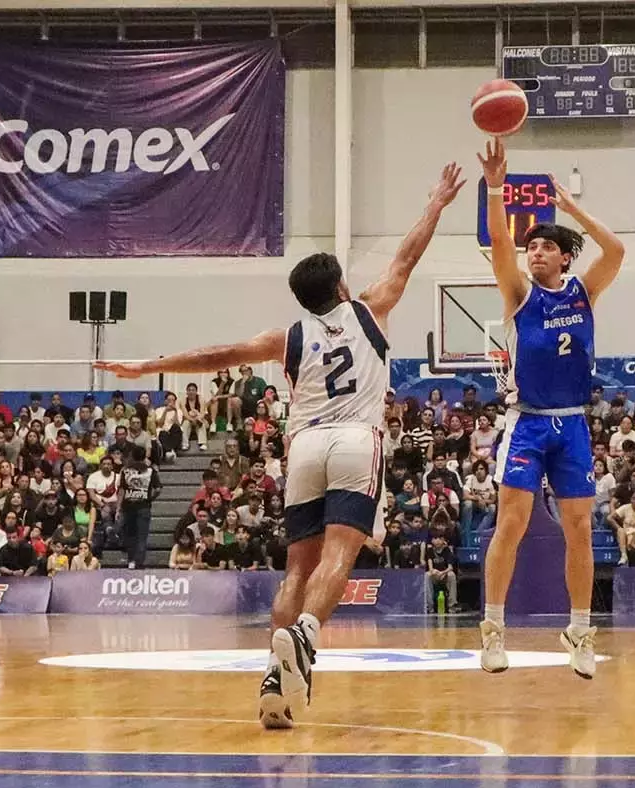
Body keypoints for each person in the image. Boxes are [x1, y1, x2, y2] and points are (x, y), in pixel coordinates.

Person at [95, 162, 464, 730]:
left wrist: (148, 365)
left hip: (305, 448)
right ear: (340, 288)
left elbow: (218, 355)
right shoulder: (370, 308)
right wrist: (436, 202)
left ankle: (276, 678)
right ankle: (306, 638)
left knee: (297, 569)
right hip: (354, 441)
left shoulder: (285, 337)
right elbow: (406, 257)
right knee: (340, 557)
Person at [473, 139, 625, 680]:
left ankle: (580, 632)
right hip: (528, 422)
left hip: (574, 423)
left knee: (580, 528)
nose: (534, 252)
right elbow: (497, 238)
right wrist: (496, 186)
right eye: (530, 246)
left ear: (564, 257)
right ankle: (492, 630)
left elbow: (617, 251)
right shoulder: (519, 296)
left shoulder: (583, 292)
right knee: (510, 524)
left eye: (544, 247)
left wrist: (573, 211)